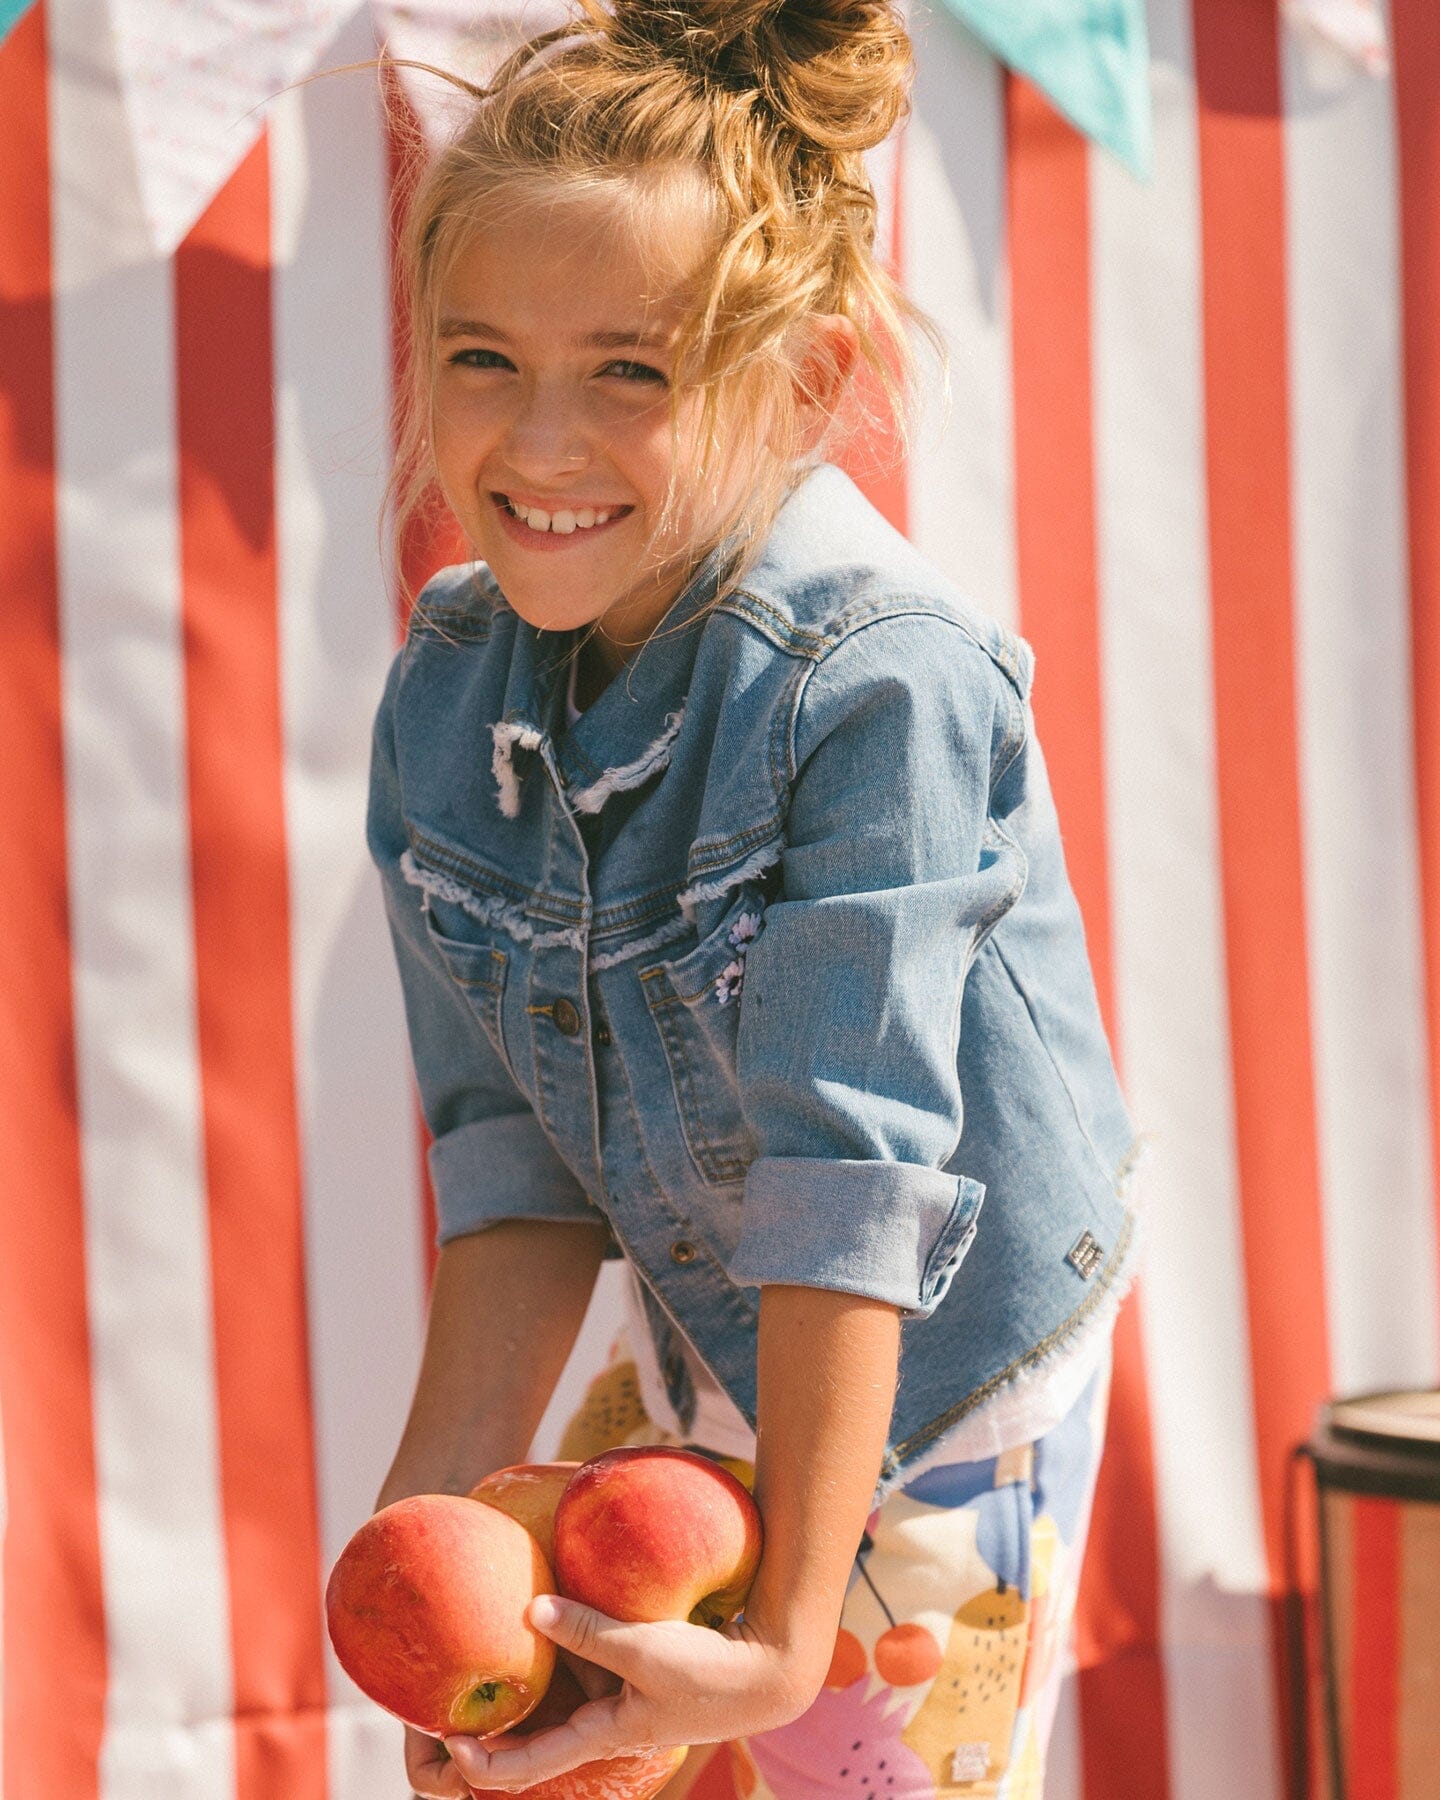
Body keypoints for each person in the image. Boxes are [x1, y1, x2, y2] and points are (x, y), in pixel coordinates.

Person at [363, 2, 1148, 1794]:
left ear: (793, 380)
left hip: (936, 1363)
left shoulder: (881, 685)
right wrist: (428, 1562)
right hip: (712, 1303)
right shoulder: (448, 689)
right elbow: (514, 1164)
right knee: (581, 1753)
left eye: (629, 372)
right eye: (483, 357)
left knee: (831, 1759)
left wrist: (793, 1638)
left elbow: (852, 1179)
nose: (538, 444)